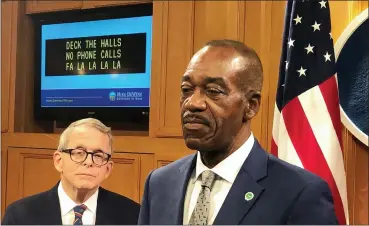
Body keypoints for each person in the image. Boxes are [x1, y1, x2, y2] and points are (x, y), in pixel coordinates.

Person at [138, 40, 338, 225]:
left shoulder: (300, 193)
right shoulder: (159, 183)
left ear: (251, 106)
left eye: (213, 91)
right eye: (187, 89)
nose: (193, 103)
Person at [2, 118, 140, 225]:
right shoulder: (20, 216)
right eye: (79, 152)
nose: (89, 162)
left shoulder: (133, 216)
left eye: (98, 155)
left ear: (108, 169)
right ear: (58, 161)